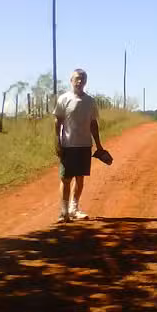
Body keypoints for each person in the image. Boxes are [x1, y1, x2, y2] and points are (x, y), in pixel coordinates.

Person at [54, 68, 104, 222]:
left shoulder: (90, 101)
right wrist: (57, 140)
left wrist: (99, 145)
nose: (80, 81)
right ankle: (64, 212)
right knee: (66, 178)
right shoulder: (64, 99)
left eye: (83, 79)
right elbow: (58, 121)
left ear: (86, 82)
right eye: (77, 78)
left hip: (84, 145)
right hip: (68, 145)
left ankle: (74, 209)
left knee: (80, 178)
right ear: (71, 81)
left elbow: (93, 124)